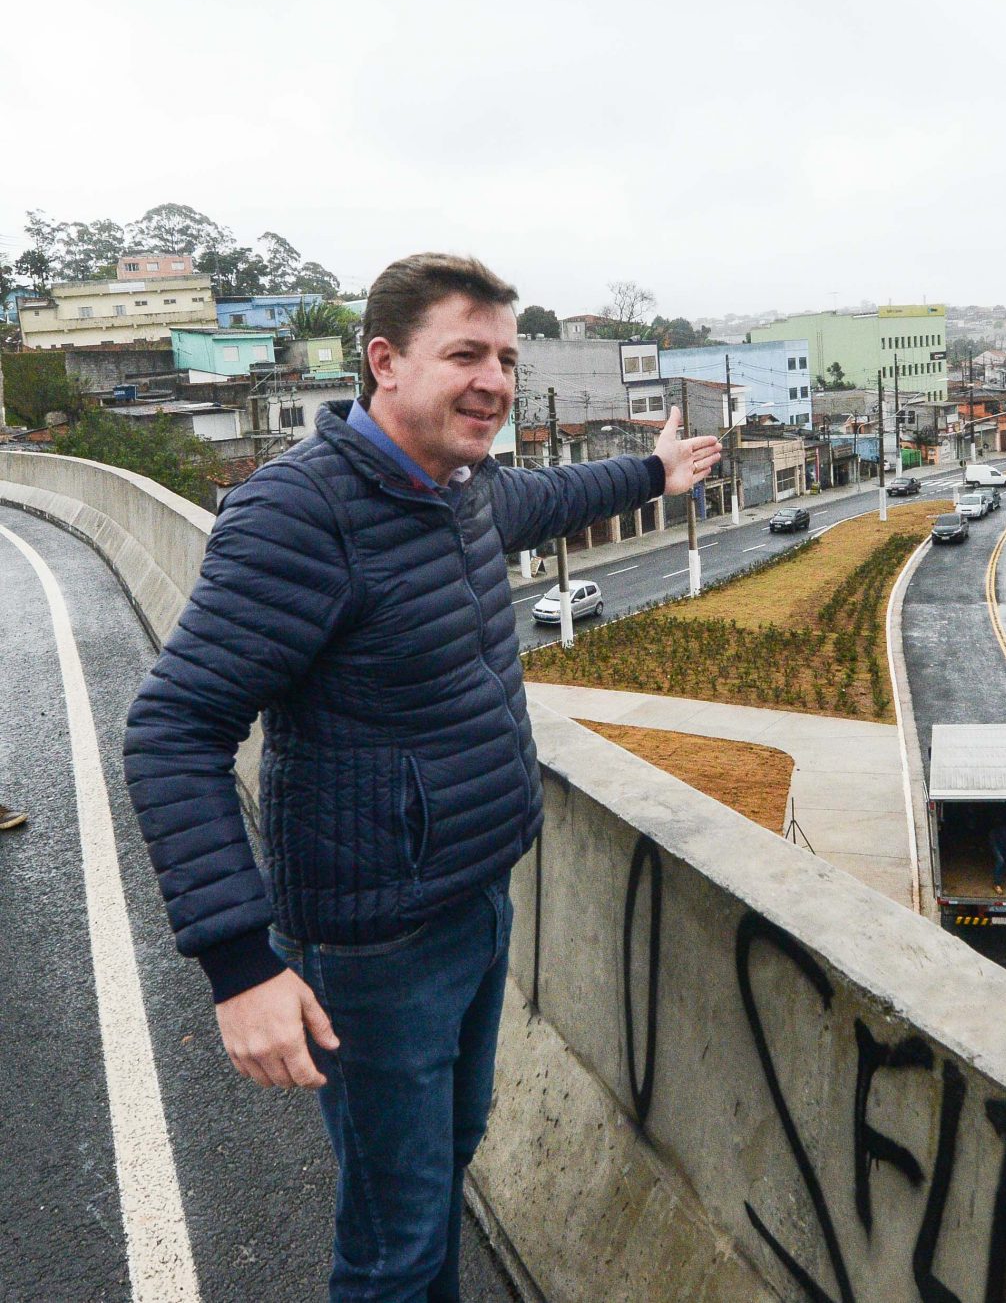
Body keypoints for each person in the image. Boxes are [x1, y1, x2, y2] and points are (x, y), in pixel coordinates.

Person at [123, 253, 723, 1301]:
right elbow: (173, 728)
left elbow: (543, 496)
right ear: (384, 362)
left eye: (504, 355)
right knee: (393, 1243)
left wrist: (650, 472)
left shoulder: (460, 487)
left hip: (473, 903)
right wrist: (239, 966)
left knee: (439, 1173)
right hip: (374, 945)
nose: (493, 377)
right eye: (466, 353)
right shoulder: (300, 515)